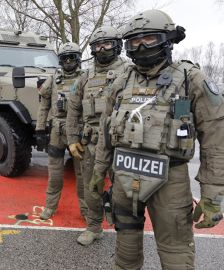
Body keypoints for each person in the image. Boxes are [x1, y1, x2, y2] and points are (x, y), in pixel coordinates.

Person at [91, 9, 224, 269]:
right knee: (125, 255)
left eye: (148, 39)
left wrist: (212, 196)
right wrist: (98, 171)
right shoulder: (121, 81)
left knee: (176, 254)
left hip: (170, 182)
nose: (140, 46)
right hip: (123, 177)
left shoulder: (191, 79)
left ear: (167, 39)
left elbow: (215, 141)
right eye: (134, 41)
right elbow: (106, 131)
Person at [66, 26, 128, 246]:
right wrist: (72, 139)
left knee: (124, 189)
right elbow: (73, 110)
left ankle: (127, 231)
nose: (102, 48)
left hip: (122, 142)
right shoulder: (84, 77)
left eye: (107, 44)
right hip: (91, 142)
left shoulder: (130, 71)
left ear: (117, 45)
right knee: (92, 187)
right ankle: (94, 227)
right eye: (97, 45)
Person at [35, 42, 87, 220]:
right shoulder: (54, 78)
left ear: (78, 59)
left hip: (78, 132)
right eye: (65, 58)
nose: (69, 61)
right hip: (56, 131)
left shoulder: (86, 77)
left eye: (72, 57)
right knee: (55, 174)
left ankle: (86, 210)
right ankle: (50, 207)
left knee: (82, 175)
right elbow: (43, 106)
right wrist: (40, 129)